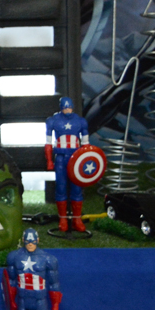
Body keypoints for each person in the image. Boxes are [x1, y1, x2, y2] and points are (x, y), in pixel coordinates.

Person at [3, 228, 61, 310]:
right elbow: (11, 281)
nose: (30, 244)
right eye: (28, 241)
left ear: (38, 240)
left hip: (40, 301)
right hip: (23, 301)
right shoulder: (14, 257)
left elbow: (53, 284)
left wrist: (55, 305)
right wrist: (11, 300)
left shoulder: (48, 259)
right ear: (23, 240)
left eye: (33, 241)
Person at [45, 96, 89, 233]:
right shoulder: (53, 121)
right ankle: (63, 218)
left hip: (76, 158)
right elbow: (48, 143)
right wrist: (49, 160)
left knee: (76, 188)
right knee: (61, 187)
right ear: (61, 107)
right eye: (65, 107)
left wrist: (86, 160)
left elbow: (87, 145)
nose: (67, 110)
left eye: (69, 107)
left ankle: (77, 218)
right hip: (60, 158)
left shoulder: (81, 122)